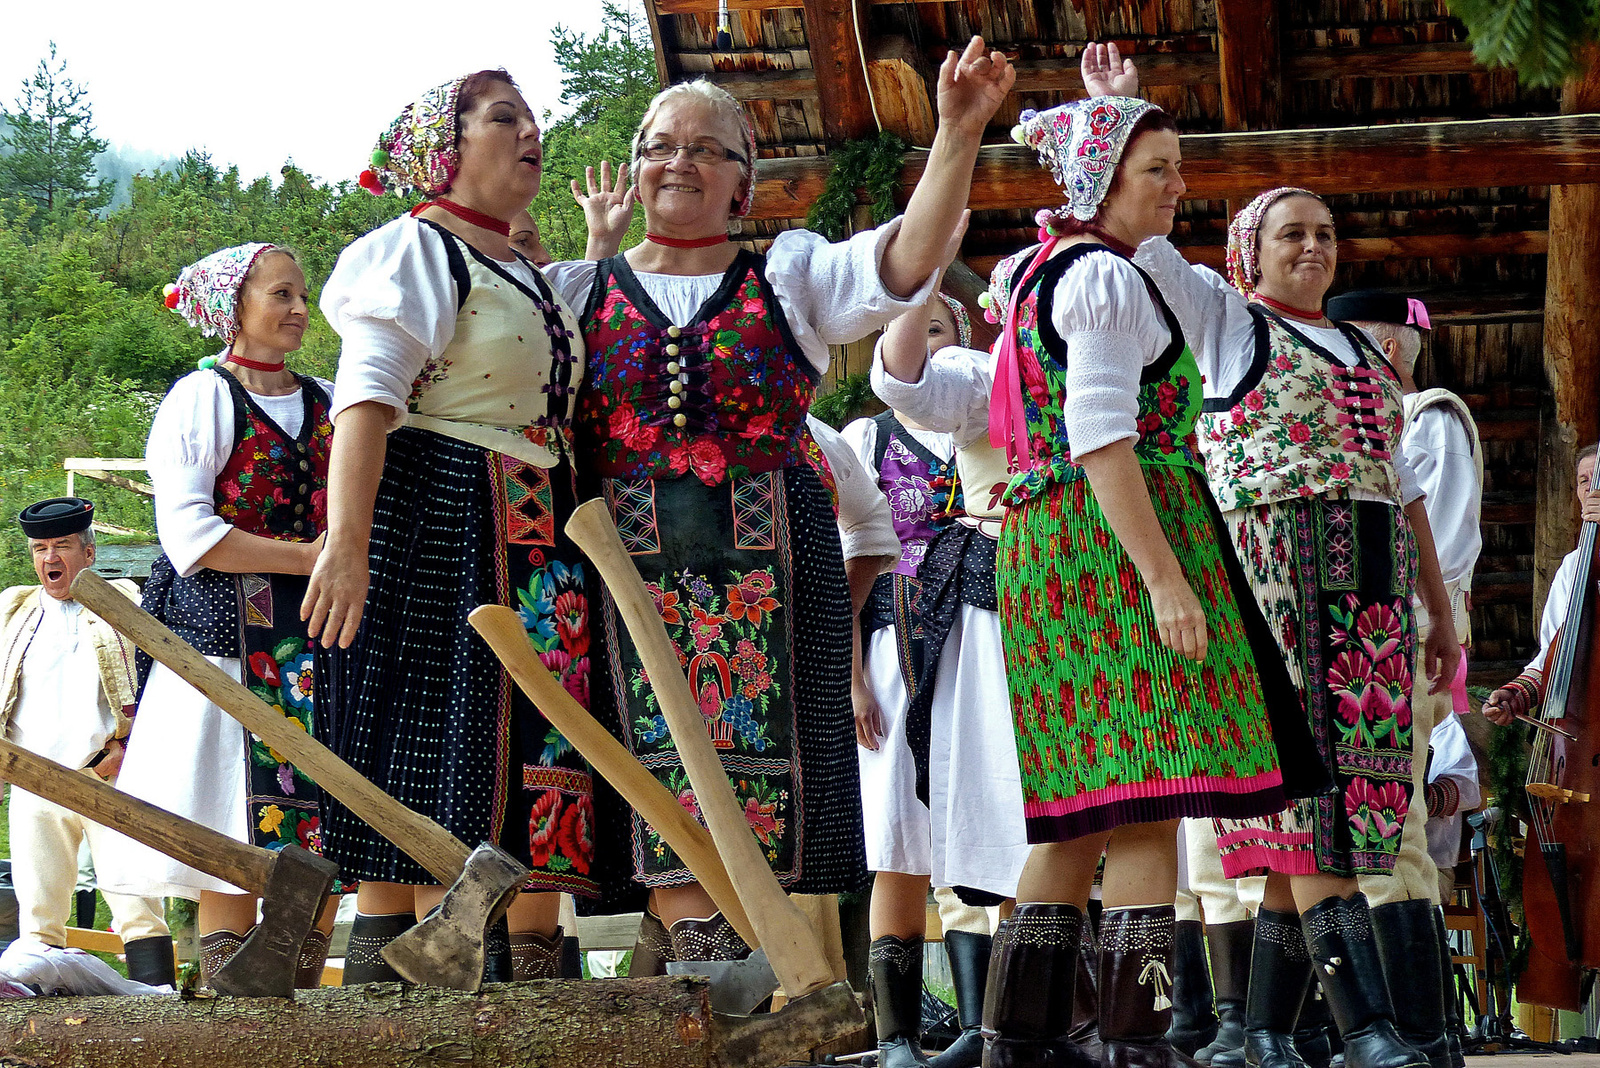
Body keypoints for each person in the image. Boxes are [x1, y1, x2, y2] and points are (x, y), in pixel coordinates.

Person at [874, 63, 1328, 1064]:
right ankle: (1137, 1044)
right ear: (1103, 180)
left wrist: (1111, 110)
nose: (1177, 186)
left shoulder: (1056, 271)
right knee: (1149, 801)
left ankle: (1016, 1044)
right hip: (1110, 543)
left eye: (1176, 168)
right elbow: (1101, 437)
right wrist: (1167, 579)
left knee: (1082, 817)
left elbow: (1181, 311)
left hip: (1049, 547)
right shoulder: (1104, 277)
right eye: (1157, 170)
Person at [543, 42, 1014, 978]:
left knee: (781, 786)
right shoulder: (572, 293)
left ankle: (764, 985)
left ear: (743, 182)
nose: (679, 161)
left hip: (779, 573)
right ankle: (727, 982)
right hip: (625, 573)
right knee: (654, 774)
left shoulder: (791, 278)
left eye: (707, 148)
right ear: (635, 172)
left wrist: (957, 131)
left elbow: (904, 259)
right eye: (660, 145)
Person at [1114, 36, 1460, 1065]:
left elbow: (1400, 492)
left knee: (1346, 805)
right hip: (1269, 580)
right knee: (1303, 807)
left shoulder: (1364, 352)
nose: (1312, 247)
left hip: (1365, 588)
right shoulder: (1227, 325)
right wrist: (1127, 115)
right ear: (1248, 254)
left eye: (1324, 232)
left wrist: (1435, 608)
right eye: (1290, 234)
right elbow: (1146, 252)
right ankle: (1360, 1032)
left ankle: (1257, 1029)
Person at [308, 70, 591, 983]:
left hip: (534, 529)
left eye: (532, 117)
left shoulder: (519, 268)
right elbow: (364, 403)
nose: (529, 132)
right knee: (441, 753)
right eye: (502, 118)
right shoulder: (419, 253)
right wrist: (345, 547)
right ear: (448, 150)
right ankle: (424, 1004)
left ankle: (531, 1001)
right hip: (443, 519)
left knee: (531, 754)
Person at [104, 242, 340, 989]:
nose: (299, 308)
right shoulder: (200, 399)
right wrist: (313, 559)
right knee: (228, 821)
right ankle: (230, 1005)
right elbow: (191, 538)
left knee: (322, 822)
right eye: (281, 294)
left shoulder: (331, 399)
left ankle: (300, 997)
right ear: (233, 307)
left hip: (321, 642)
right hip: (227, 643)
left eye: (303, 294)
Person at [860, 288, 1032, 1068]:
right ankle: (895, 1037)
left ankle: (986, 1023)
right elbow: (845, 559)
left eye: (941, 328)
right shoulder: (866, 438)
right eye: (911, 327)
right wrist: (851, 676)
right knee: (899, 839)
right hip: (895, 652)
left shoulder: (993, 418)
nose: (925, 343)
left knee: (996, 822)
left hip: (978, 634)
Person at [1324, 290, 1482, 1068]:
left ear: (1380, 346)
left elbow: (1438, 544)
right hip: (1371, 646)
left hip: (1408, 644)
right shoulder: (1372, 422)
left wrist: (1408, 630)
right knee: (1373, 836)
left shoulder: (1429, 417)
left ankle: (1417, 1032)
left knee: (1394, 835)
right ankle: (1399, 1032)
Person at [0, 499, 174, 989]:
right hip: (34, 780)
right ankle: (44, 1019)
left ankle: (160, 1010)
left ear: (89, 552)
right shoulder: (13, 612)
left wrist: (131, 747)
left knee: (138, 903)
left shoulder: (127, 604)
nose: (50, 557)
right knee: (37, 911)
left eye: (62, 546)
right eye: (40, 549)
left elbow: (160, 685)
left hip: (110, 774)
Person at [1482, 443, 1599, 727]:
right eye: (1584, 482)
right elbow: (1552, 656)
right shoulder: (1573, 567)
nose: (1591, 489)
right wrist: (1515, 696)